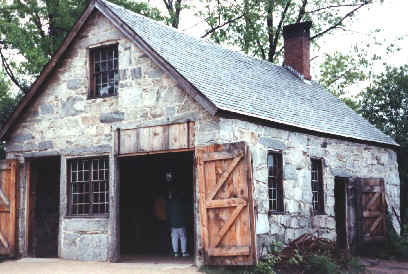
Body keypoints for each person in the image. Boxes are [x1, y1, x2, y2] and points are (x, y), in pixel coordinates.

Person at [165, 170, 189, 257]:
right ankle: (184, 252)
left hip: (173, 223)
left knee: (174, 238)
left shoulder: (170, 202)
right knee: (183, 237)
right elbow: (185, 211)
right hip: (181, 222)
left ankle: (175, 252)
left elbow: (168, 212)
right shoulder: (182, 202)